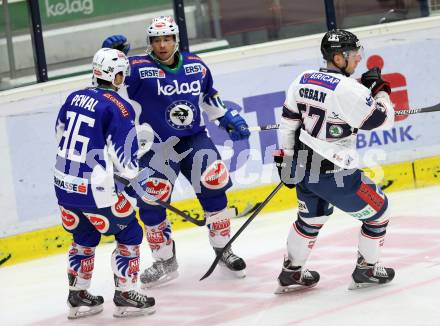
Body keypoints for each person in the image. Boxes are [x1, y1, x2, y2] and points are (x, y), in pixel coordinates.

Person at [102, 16, 250, 288]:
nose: (161, 45)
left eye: (167, 39)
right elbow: (107, 85)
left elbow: (209, 98)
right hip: (154, 148)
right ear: (150, 42)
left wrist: (227, 118)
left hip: (193, 140)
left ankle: (223, 250)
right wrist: (111, 58)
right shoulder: (135, 68)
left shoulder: (197, 66)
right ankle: (165, 262)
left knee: (214, 188)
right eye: (156, 40)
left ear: (176, 40)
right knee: (151, 204)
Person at [273, 29, 396, 293]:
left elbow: (287, 124)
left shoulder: (303, 79)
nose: (358, 59)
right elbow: (380, 120)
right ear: (338, 58)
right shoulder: (349, 89)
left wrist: (284, 161)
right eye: (353, 55)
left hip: (306, 168)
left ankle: (291, 272)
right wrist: (381, 92)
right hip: (337, 174)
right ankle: (367, 269)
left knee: (311, 219)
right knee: (379, 213)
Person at [54, 48, 155, 318]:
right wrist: (133, 177)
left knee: (84, 235)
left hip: (64, 184)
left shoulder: (74, 96)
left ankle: (78, 295)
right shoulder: (118, 106)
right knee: (130, 232)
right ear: (116, 75)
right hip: (95, 191)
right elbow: (124, 155)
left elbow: (60, 134)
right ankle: (125, 294)